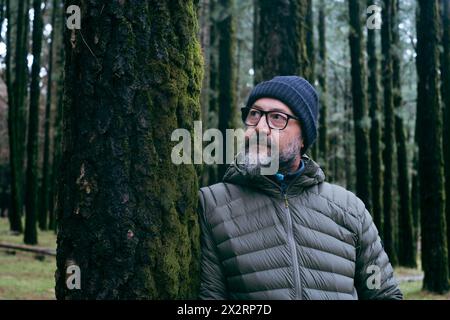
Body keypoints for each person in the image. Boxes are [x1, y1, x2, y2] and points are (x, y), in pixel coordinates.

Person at [198, 75, 403, 300]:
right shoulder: (212, 204)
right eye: (254, 114)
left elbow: (383, 291)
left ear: (303, 137)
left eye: (277, 118)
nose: (261, 127)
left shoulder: (349, 208)